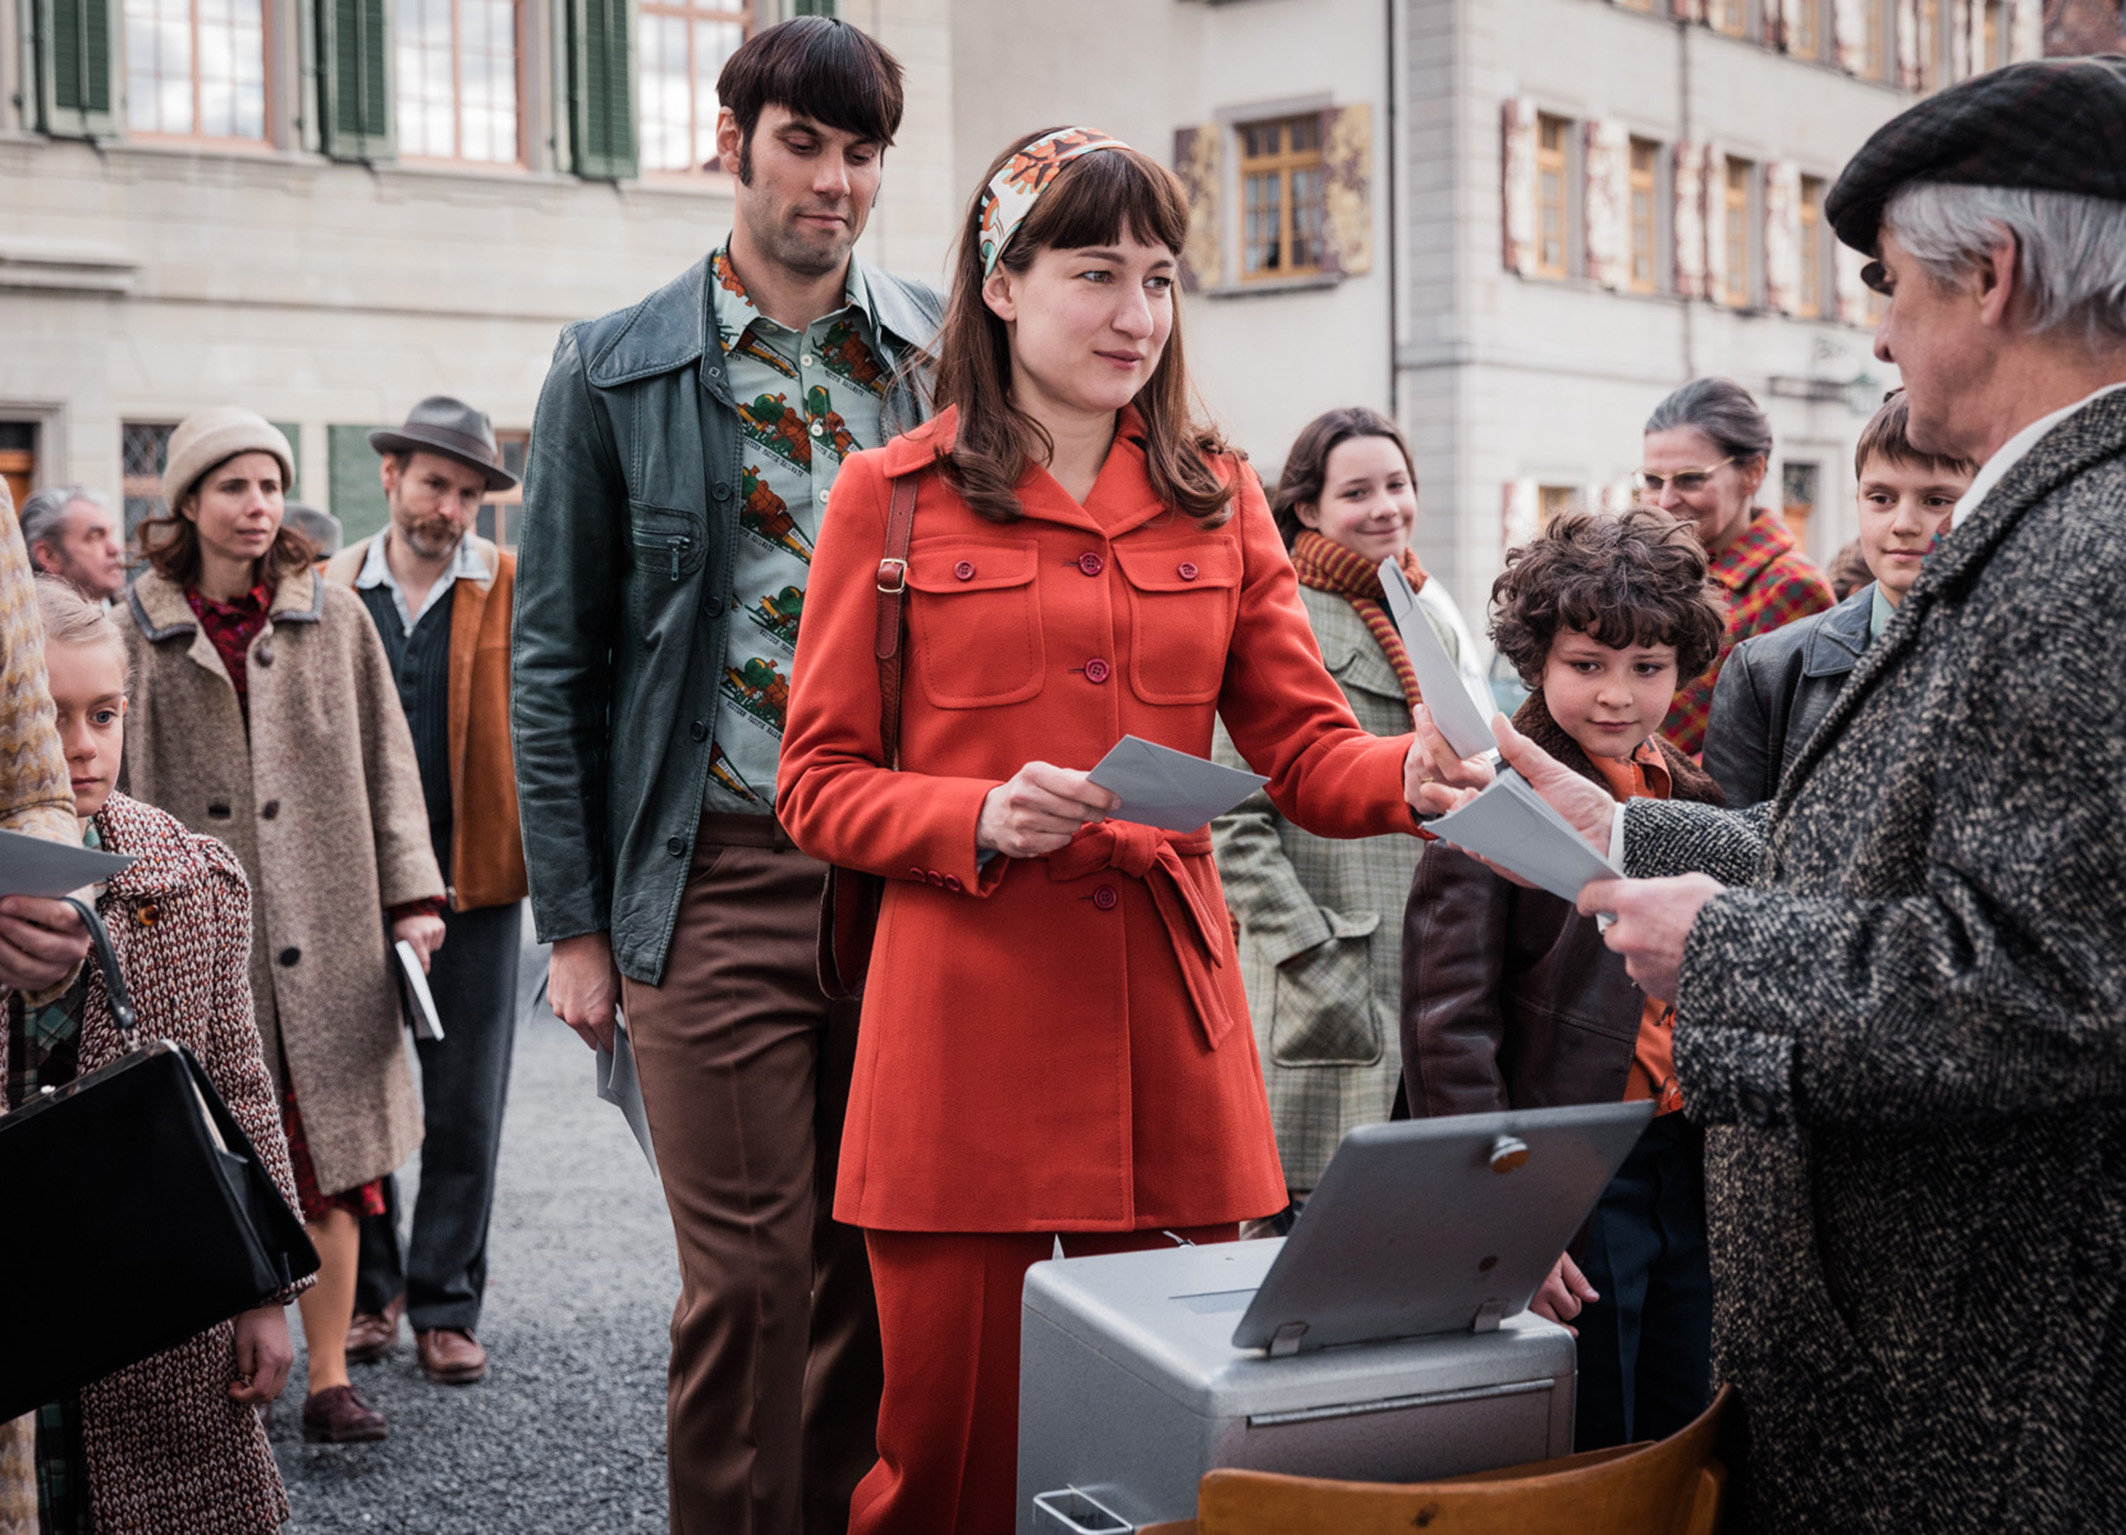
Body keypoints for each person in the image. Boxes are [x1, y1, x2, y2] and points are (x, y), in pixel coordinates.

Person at [1408, 56, 2126, 1533]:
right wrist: (1613, 823)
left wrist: (1721, 947)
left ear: (1986, 277)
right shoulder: (2056, 518)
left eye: (1887, 282)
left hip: (1967, 1360)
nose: (1874, 327)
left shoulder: (2088, 550)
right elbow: (1881, 863)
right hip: (1930, 1333)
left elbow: (2046, 984)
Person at [777, 125, 1440, 1535]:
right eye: (1094, 272)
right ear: (1001, 284)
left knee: (1171, 1449)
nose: (1136, 314)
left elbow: (1308, 753)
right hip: (960, 1035)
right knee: (944, 1463)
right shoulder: (887, 496)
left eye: (1158, 276)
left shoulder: (1220, 495)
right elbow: (817, 782)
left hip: (1170, 1037)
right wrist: (978, 812)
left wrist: (1413, 774)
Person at [513, 18, 941, 1532]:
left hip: (904, 874)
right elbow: (552, 662)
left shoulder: (942, 359)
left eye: (862, 152)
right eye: (804, 145)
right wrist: (573, 924)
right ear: (731, 144)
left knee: (869, 1263)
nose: (835, 181)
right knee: (747, 1277)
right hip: (707, 871)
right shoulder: (612, 369)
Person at [118, 408, 446, 1447]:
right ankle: (221, 1373)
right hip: (192, 927)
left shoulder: (332, 614)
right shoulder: (137, 626)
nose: (257, 505)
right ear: (187, 502)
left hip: (333, 924)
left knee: (329, 1149)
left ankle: (331, 1373)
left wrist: (413, 895)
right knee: (208, 1150)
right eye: (233, 486)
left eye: (269, 485)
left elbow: (389, 763)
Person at [1401, 507, 1726, 1451]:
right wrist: (1507, 1215)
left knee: (1680, 1412)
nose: (1618, 694)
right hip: (1565, 1163)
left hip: (1685, 1156)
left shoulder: (1694, 796)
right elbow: (1446, 1025)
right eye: (1588, 664)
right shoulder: (1493, 792)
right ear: (1537, 658)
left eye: (1647, 667)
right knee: (1590, 1422)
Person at [4, 575, 309, 1535]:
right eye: (52, 720)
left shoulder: (192, 876)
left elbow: (239, 1086)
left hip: (156, 1312)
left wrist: (268, 1286)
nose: (83, 745)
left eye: (105, 713)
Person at [1212, 406, 1470, 1210]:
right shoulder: (1281, 616)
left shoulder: (1427, 615)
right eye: (1357, 491)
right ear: (1307, 510)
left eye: (1397, 484)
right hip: (1327, 969)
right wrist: (1309, 947)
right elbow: (1232, 818)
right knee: (1302, 1225)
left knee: (1406, 1219)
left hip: (1424, 962)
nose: (1386, 507)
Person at [326, 398, 527, 1388]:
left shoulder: (513, 585)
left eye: (468, 491)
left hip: (476, 887)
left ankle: (445, 1305)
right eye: (434, 482)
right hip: (347, 888)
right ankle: (368, 1295)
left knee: (462, 1109)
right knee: (354, 1095)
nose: (449, 506)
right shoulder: (325, 589)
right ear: (391, 475)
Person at [1703, 392, 1974, 807]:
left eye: (1937, 500)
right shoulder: (1765, 672)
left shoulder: (2032, 656)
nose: (1903, 524)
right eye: (1881, 498)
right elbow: (1725, 845)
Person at [1637, 378, 1833, 758]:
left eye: (1691, 479)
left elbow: (1782, 757)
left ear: (1753, 473)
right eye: (1651, 480)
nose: (1665, 500)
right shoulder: (1648, 568)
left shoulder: (1791, 588)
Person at [19, 486, 125, 604]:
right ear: (49, 556)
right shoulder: (22, 620)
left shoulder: (136, 614)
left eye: (111, 535)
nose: (115, 549)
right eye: (95, 537)